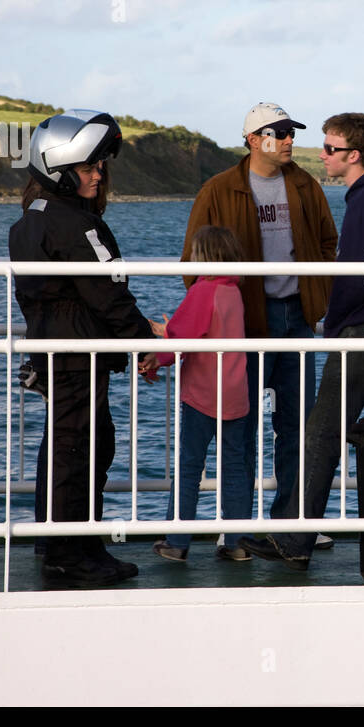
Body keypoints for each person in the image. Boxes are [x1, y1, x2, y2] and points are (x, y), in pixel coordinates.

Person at [241, 112, 364, 569]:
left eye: (331, 148)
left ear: (353, 156)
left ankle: (293, 540)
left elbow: (356, 276)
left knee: (321, 433)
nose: (321, 154)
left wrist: (331, 320)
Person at [9, 110, 156, 587]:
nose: (98, 175)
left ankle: (59, 543)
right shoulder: (76, 225)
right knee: (83, 450)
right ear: (60, 169)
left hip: (54, 351)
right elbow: (109, 296)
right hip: (78, 355)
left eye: (99, 166)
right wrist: (145, 343)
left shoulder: (29, 221)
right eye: (89, 167)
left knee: (66, 448)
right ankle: (76, 552)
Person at [181, 102, 338, 544]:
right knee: (242, 427)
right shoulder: (218, 189)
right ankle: (240, 530)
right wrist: (215, 317)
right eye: (280, 132)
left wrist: (317, 298)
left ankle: (289, 527)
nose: (290, 139)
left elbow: (328, 244)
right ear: (253, 139)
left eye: (291, 132)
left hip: (296, 318)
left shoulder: (305, 185)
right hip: (244, 325)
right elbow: (192, 262)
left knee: (297, 427)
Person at [144, 225, 250, 563]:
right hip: (236, 392)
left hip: (203, 393)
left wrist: (155, 359)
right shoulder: (233, 291)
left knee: (189, 467)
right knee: (235, 467)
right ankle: (237, 542)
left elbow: (184, 337)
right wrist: (172, 331)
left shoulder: (204, 290)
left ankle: (176, 540)